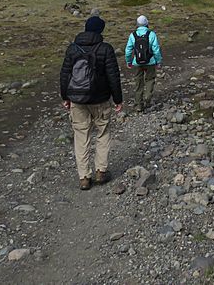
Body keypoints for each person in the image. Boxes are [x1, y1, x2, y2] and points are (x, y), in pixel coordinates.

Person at [60, 15, 123, 190]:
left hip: (77, 100)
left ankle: (84, 177)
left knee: (81, 136)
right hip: (101, 99)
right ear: (100, 30)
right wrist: (118, 99)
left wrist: (65, 97)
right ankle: (101, 171)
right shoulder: (106, 49)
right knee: (102, 133)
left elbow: (65, 74)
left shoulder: (72, 49)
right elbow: (113, 76)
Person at [125, 15, 163, 113]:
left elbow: (128, 50)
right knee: (150, 79)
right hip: (150, 62)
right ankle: (147, 97)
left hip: (137, 62)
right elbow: (156, 50)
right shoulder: (152, 34)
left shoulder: (132, 35)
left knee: (138, 82)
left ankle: (138, 104)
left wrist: (128, 61)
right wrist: (158, 61)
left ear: (137, 24)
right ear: (147, 23)